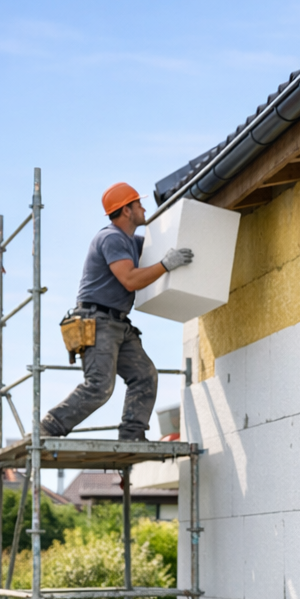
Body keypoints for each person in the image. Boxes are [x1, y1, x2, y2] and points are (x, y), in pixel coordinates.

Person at [40, 182, 193, 442]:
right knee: (99, 386)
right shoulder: (110, 238)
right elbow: (130, 280)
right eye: (138, 204)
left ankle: (132, 433)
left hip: (117, 323)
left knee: (144, 376)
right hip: (96, 321)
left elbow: (158, 245)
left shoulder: (132, 241)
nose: (144, 208)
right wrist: (166, 265)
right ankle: (47, 429)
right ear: (126, 211)